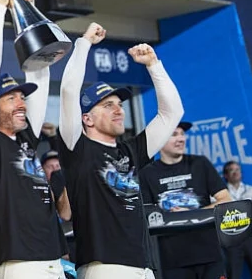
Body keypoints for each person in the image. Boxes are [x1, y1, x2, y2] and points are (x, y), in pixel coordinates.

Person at [59, 22, 184, 278]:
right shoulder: (77, 148)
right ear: (87, 119)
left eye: (119, 104)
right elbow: (69, 91)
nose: (118, 110)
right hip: (104, 267)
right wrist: (84, 43)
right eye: (107, 105)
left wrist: (154, 65)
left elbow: (172, 113)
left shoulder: (130, 152)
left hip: (144, 266)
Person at [0, 0, 67, 279]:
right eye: (11, 98)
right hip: (18, 265)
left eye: (22, 97)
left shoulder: (25, 140)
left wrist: (26, 16)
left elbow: (40, 73)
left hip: (52, 261)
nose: (22, 103)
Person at [141, 122, 231, 278]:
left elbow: (225, 199)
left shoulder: (200, 164)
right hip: (173, 260)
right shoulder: (147, 173)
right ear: (160, 140)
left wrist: (190, 214)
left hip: (210, 255)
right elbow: (146, 215)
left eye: (182, 134)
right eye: (174, 134)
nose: (181, 139)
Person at [223, 160, 252, 279]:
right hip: (232, 238)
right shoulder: (221, 194)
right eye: (231, 170)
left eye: (237, 170)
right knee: (233, 274)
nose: (235, 172)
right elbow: (220, 213)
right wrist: (247, 206)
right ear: (226, 175)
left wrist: (232, 208)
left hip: (251, 237)